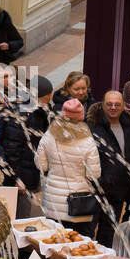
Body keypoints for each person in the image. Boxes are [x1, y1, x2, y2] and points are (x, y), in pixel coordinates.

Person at [35, 98, 101, 236]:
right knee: (79, 246)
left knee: (54, 245)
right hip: (79, 206)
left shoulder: (49, 135)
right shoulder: (88, 141)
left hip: (53, 204)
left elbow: (41, 165)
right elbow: (93, 175)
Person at [87, 90, 130, 246]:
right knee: (88, 232)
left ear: (123, 106)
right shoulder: (91, 126)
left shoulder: (129, 125)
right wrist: (98, 180)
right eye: (109, 104)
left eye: (117, 104)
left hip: (118, 189)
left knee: (109, 233)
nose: (113, 107)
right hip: (97, 188)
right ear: (102, 105)